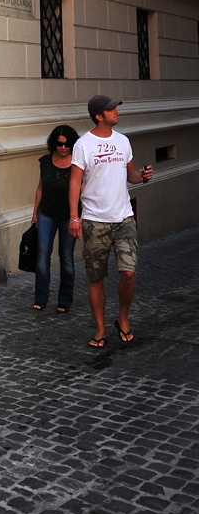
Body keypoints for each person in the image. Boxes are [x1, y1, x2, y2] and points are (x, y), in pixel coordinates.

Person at [68, 95, 153, 349]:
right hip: (95, 221)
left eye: (115, 108)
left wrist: (142, 176)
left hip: (124, 217)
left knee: (128, 273)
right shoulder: (83, 145)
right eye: (111, 109)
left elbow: (131, 176)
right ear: (99, 116)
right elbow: (74, 182)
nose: (116, 111)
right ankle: (100, 327)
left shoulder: (123, 141)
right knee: (96, 278)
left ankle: (122, 318)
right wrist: (75, 216)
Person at [31, 124, 79, 312]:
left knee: (66, 257)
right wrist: (35, 212)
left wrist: (79, 217)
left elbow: (83, 190)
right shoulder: (45, 162)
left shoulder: (77, 164)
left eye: (67, 144)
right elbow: (40, 188)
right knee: (42, 254)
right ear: (54, 144)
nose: (63, 147)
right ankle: (41, 298)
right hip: (46, 213)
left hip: (69, 216)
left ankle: (65, 300)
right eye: (60, 144)